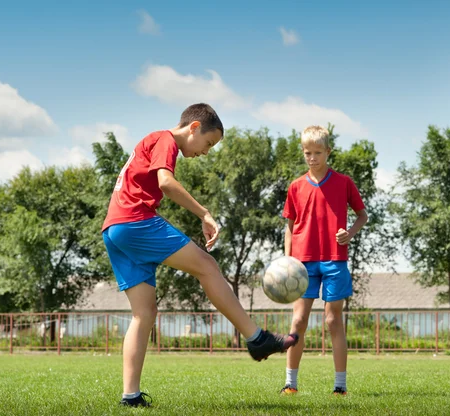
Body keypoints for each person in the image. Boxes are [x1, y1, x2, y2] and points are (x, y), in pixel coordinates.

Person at [101, 103, 299, 408]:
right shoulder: (165, 139)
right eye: (208, 143)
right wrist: (204, 214)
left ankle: (131, 396)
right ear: (193, 127)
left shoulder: (151, 141)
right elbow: (165, 183)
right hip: (135, 222)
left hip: (114, 230)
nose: (206, 152)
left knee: (143, 314)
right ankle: (257, 338)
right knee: (207, 266)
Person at [280, 125, 368, 396]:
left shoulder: (344, 183)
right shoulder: (295, 186)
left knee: (333, 321)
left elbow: (362, 216)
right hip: (303, 263)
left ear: (328, 152)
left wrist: (349, 233)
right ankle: (290, 384)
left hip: (334, 260)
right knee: (298, 321)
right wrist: (287, 260)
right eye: (308, 152)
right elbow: (289, 226)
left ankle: (340, 387)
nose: (312, 158)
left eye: (318, 152)